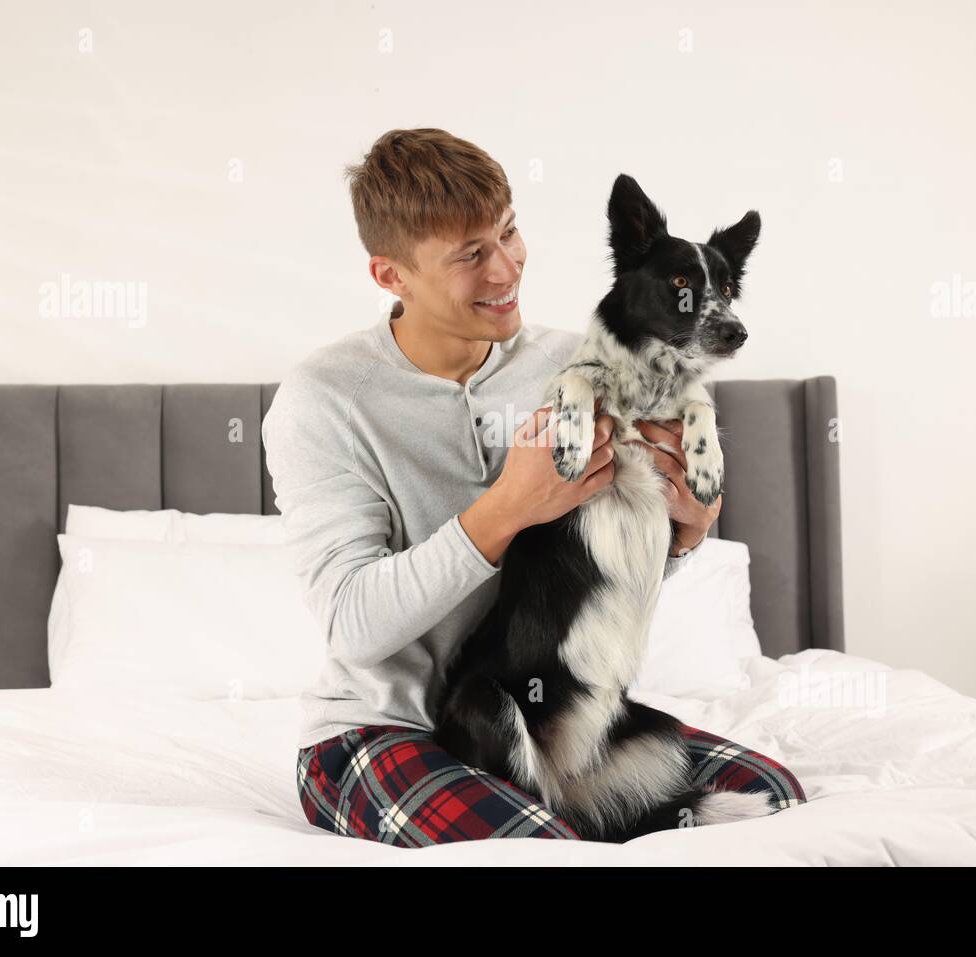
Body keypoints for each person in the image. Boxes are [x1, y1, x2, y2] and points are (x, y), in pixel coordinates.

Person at [263, 128, 805, 847]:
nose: (506, 269)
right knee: (539, 851)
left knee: (771, 800)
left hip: (555, 710)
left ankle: (568, 814)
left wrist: (685, 530)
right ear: (391, 276)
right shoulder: (324, 399)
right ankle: (561, 825)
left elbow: (601, 563)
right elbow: (356, 625)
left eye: (509, 233)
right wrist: (507, 507)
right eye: (470, 255)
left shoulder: (579, 361)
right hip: (382, 730)